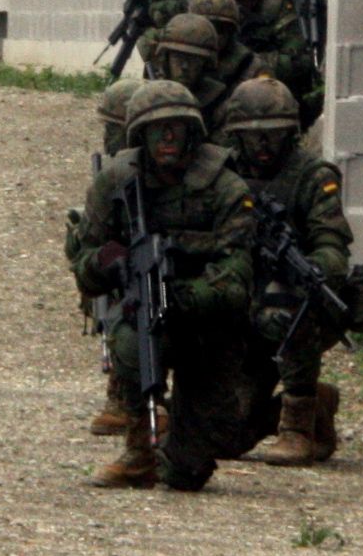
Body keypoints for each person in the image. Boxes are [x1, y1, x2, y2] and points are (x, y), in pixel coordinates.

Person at [69, 80, 256, 490]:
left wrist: (184, 296)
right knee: (133, 344)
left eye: (176, 127)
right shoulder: (116, 180)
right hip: (148, 317)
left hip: (209, 328)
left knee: (190, 472)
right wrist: (106, 262)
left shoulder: (225, 188)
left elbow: (238, 278)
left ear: (193, 132)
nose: (167, 137)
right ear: (141, 135)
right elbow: (83, 263)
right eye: (157, 129)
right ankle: (139, 450)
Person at [220, 76, 351, 465]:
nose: (263, 147)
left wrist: (312, 268)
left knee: (289, 301)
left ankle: (298, 419)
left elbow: (333, 246)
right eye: (254, 137)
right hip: (239, 304)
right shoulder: (221, 176)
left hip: (292, 310)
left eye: (274, 136)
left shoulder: (313, 177)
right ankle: (317, 412)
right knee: (223, 438)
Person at [72, 77, 148, 437]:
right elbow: (86, 248)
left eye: (113, 128)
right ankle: (123, 387)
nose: (108, 137)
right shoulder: (111, 177)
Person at [207, 0, 317, 121]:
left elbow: (299, 62)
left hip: (274, 97)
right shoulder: (217, 7)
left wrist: (248, 61)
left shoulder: (275, 6)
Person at [144, 13, 228, 128]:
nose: (184, 66)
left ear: (205, 64)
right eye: (178, 57)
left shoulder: (219, 102)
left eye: (193, 60)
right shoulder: (148, 96)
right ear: (166, 59)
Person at [189, 0, 261, 103]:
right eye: (205, 28)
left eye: (220, 28)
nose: (213, 35)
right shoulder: (181, 57)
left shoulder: (250, 65)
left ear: (230, 31)